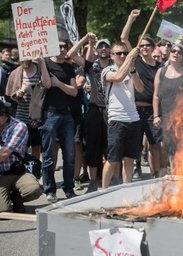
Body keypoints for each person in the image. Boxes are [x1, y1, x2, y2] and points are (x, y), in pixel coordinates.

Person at [120, 9, 164, 179]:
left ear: (153, 48)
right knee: (134, 145)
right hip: (136, 110)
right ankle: (135, 170)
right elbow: (124, 39)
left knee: (154, 145)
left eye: (148, 45)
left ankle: (156, 175)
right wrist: (130, 19)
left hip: (153, 112)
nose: (145, 48)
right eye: (142, 45)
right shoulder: (135, 60)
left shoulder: (160, 67)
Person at [68, 35, 112, 192]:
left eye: (106, 46)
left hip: (111, 110)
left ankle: (112, 180)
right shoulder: (91, 66)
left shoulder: (115, 65)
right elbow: (71, 55)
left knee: (111, 147)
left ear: (110, 50)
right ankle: (93, 181)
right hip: (93, 110)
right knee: (93, 147)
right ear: (97, 50)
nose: (104, 49)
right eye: (101, 46)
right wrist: (86, 39)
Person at [101, 42, 144, 188]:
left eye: (125, 53)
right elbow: (118, 77)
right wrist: (130, 58)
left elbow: (140, 88)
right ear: (112, 56)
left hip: (134, 118)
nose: (123, 56)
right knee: (113, 159)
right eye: (119, 53)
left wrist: (133, 71)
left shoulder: (131, 70)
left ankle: (126, 189)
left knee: (130, 158)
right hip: (117, 119)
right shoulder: (107, 71)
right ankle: (104, 191)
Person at [40, 39, 78, 203]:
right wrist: (41, 63)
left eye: (65, 47)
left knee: (69, 155)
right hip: (50, 115)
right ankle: (50, 190)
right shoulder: (47, 63)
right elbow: (47, 84)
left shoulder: (69, 67)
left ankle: (69, 189)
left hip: (67, 116)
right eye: (59, 46)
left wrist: (59, 83)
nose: (62, 49)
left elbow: (74, 91)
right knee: (48, 155)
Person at [153, 44, 183, 167]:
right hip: (168, 117)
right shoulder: (161, 71)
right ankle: (174, 173)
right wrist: (156, 116)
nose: (175, 53)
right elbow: (156, 96)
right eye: (173, 51)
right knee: (171, 149)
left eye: (179, 52)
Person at [6, 50, 49, 159]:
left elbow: (46, 90)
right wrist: (18, 93)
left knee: (36, 145)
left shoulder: (39, 70)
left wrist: (37, 117)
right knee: (20, 145)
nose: (24, 60)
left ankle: (35, 169)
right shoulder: (15, 73)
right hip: (21, 115)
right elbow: (11, 96)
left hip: (38, 115)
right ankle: (22, 169)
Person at [0, 100, 41, 212]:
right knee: (4, 211)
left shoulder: (18, 126)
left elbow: (3, 154)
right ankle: (6, 200)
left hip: (16, 171)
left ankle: (16, 198)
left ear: (4, 114)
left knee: (33, 189)